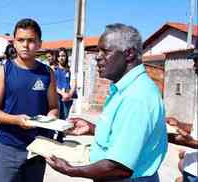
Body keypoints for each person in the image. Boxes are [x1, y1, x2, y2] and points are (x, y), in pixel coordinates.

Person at [46, 23, 168, 181]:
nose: (98, 57)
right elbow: (126, 136)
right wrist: (92, 129)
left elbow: (119, 167)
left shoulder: (136, 96)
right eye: (98, 51)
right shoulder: (124, 89)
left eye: (105, 51)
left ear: (129, 54)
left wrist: (70, 169)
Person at [0, 18, 58, 182]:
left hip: (38, 147)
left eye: (31, 40)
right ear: (14, 43)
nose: (26, 45)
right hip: (8, 147)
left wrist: (52, 118)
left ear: (40, 43)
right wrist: (15, 120)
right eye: (21, 40)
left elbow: (53, 106)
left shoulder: (47, 73)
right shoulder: (4, 71)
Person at [167, 48, 198, 182]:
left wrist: (191, 142)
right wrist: (179, 124)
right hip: (192, 167)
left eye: (197, 61)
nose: (194, 66)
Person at [54, 47, 77, 142]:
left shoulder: (69, 70)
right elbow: (53, 84)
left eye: (63, 55)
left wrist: (70, 94)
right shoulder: (54, 69)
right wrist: (62, 93)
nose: (61, 58)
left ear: (66, 57)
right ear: (57, 58)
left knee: (65, 116)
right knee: (58, 116)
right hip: (57, 96)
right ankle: (55, 135)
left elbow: (74, 82)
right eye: (59, 56)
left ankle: (61, 135)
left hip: (68, 97)